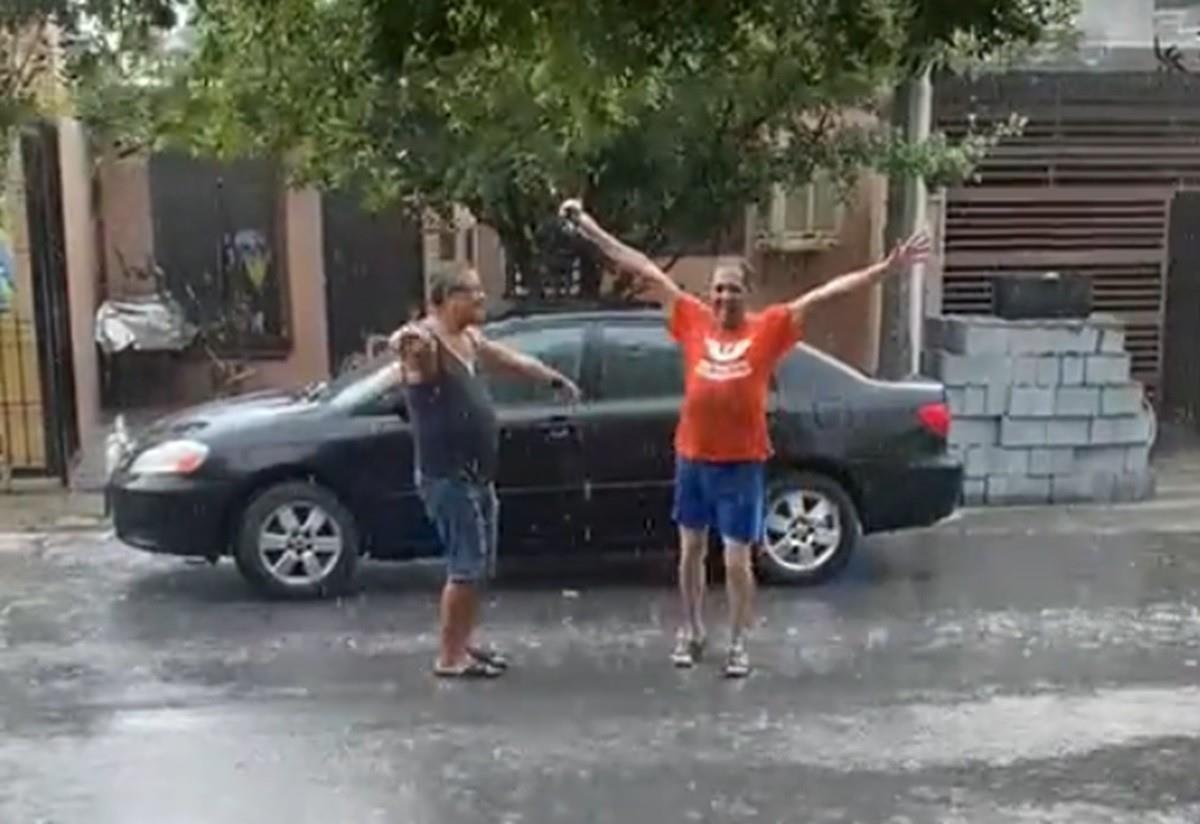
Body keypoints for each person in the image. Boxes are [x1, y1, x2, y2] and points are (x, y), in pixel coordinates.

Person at [561, 199, 930, 677]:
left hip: (740, 464)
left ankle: (737, 642)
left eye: (732, 290)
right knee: (690, 551)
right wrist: (589, 226)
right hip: (693, 458)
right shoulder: (693, 318)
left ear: (746, 295)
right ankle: (691, 631)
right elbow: (642, 266)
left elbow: (825, 294)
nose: (722, 298)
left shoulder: (768, 327)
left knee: (737, 561)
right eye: (717, 290)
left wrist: (884, 270)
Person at [390, 267, 581, 678]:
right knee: (465, 567)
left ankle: (463, 641)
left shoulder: (470, 340)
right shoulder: (427, 346)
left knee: (480, 566)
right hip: (448, 476)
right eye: (473, 294)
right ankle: (448, 657)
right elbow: (407, 347)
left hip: (477, 475)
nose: (482, 300)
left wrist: (551, 378)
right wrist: (408, 339)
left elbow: (508, 359)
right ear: (446, 298)